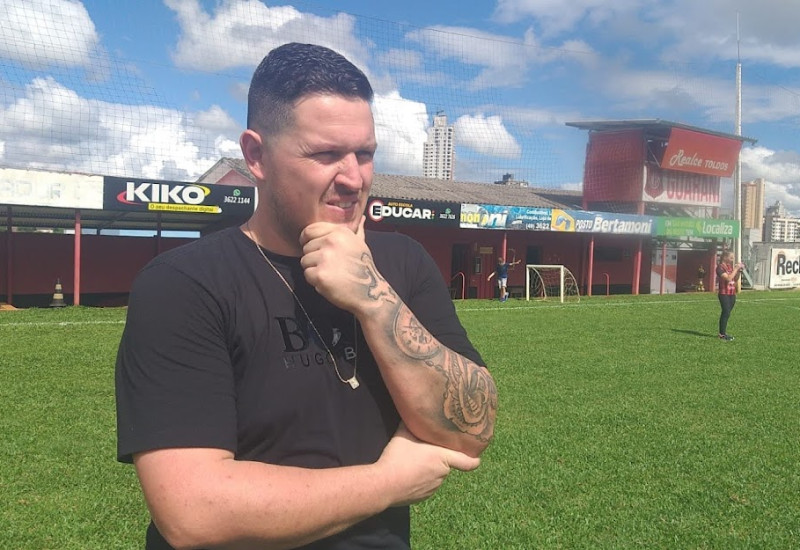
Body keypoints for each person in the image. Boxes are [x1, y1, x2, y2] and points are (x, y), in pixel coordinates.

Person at [115, 42, 497, 550]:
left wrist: (371, 296)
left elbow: (472, 427)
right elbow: (193, 512)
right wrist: (386, 482)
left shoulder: (402, 264)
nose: (354, 178)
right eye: (325, 154)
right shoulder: (185, 284)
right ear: (256, 156)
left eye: (365, 153)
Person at [716, 250, 744, 341]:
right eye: (731, 257)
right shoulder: (720, 268)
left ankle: (723, 333)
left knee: (727, 314)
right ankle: (722, 334)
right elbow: (728, 278)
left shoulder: (729, 267)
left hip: (732, 293)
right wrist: (735, 269)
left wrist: (739, 271)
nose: (732, 259)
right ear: (725, 257)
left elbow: (734, 279)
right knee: (726, 312)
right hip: (724, 294)